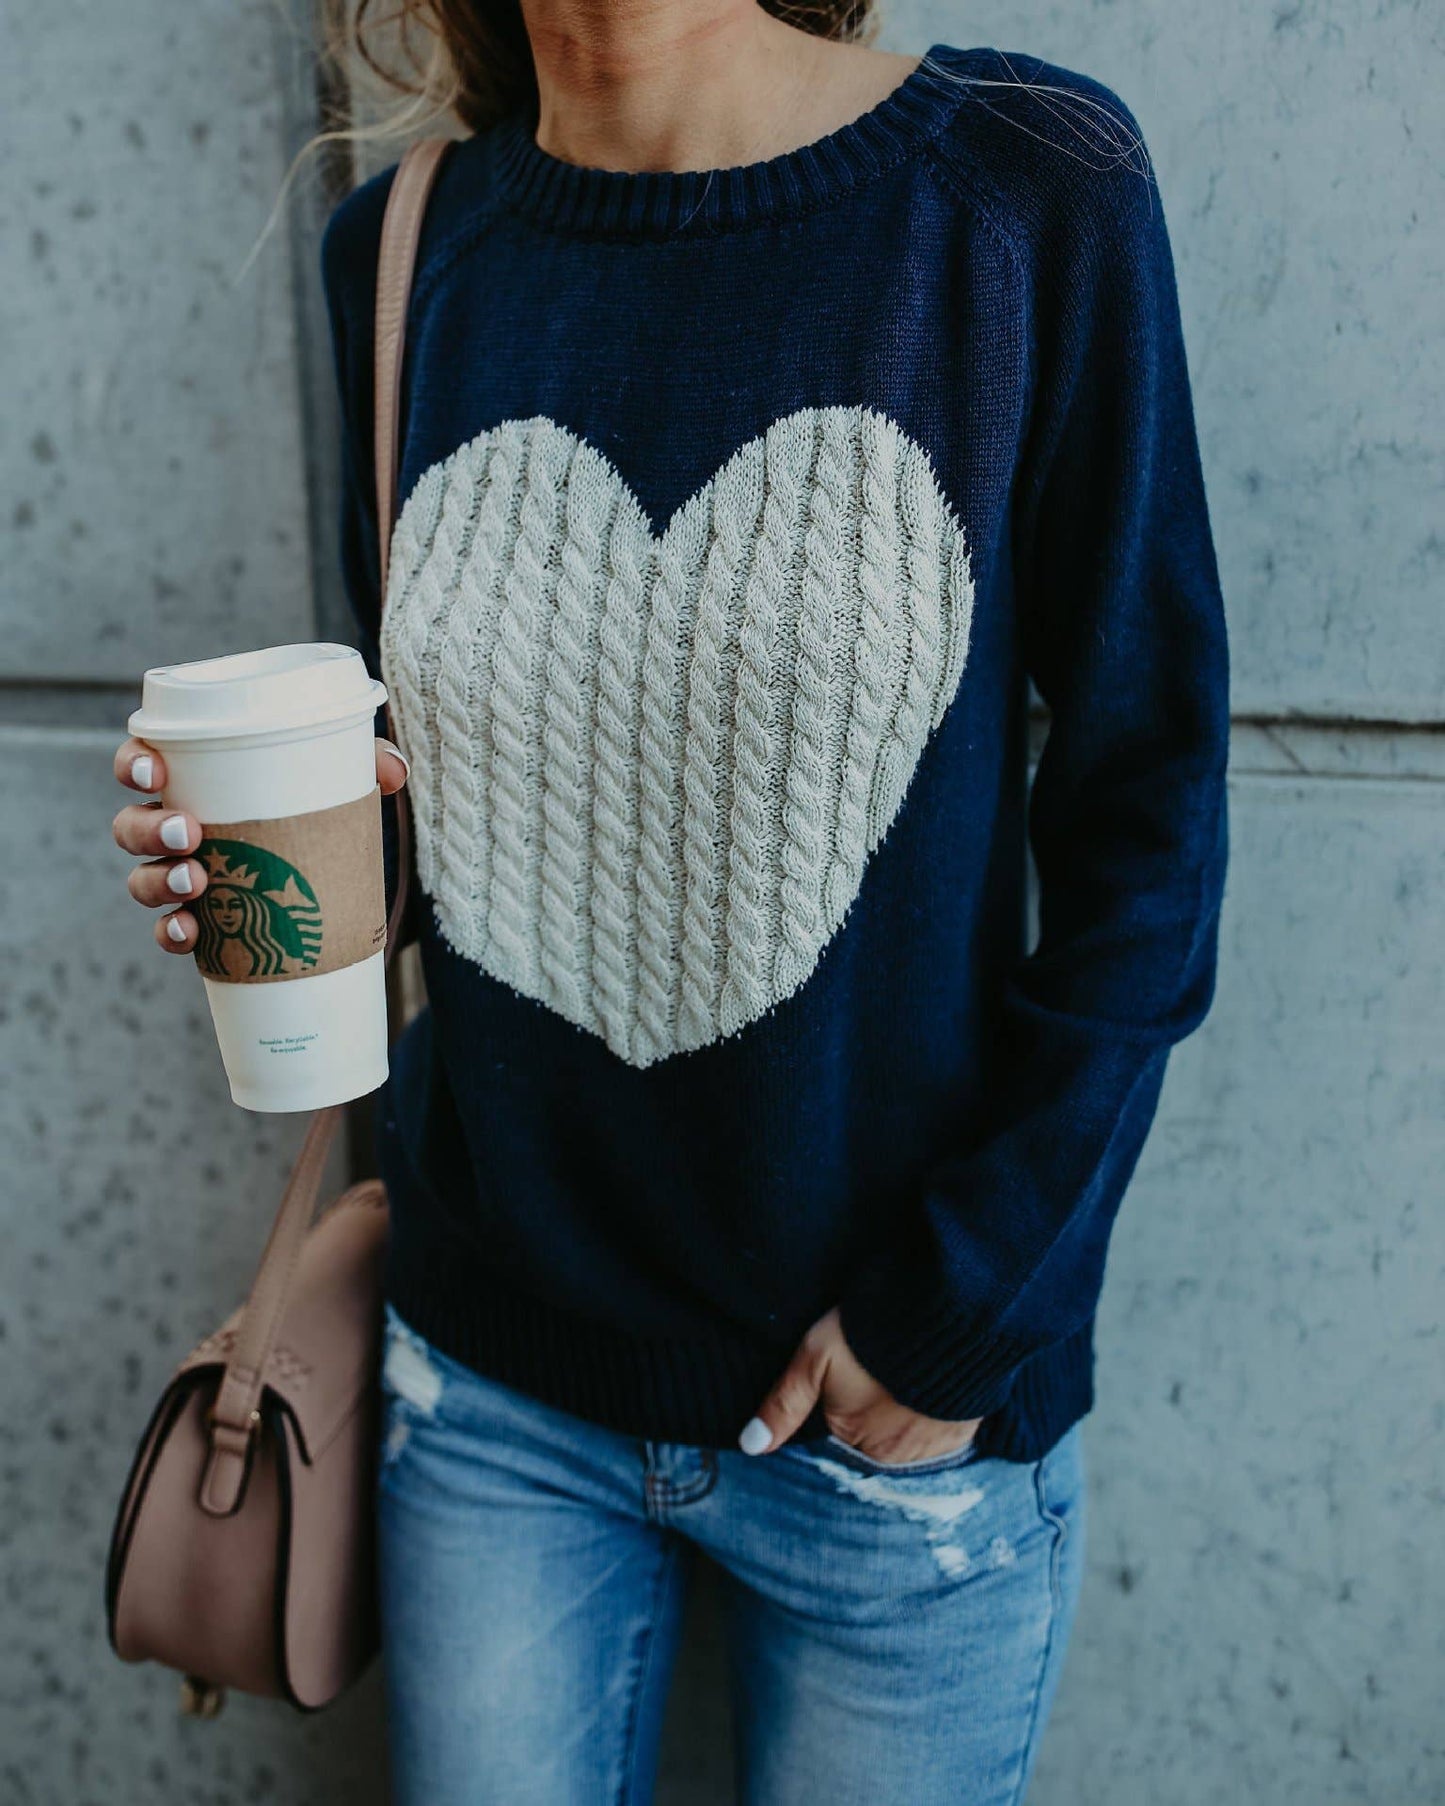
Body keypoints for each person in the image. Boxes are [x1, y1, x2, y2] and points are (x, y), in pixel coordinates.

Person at [111, 5, 1230, 1801]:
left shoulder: (1026, 193)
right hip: (494, 1399)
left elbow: (1149, 804)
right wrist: (270, 876)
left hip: (892, 1430)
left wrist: (964, 1308)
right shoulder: (400, 254)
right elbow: (486, 825)